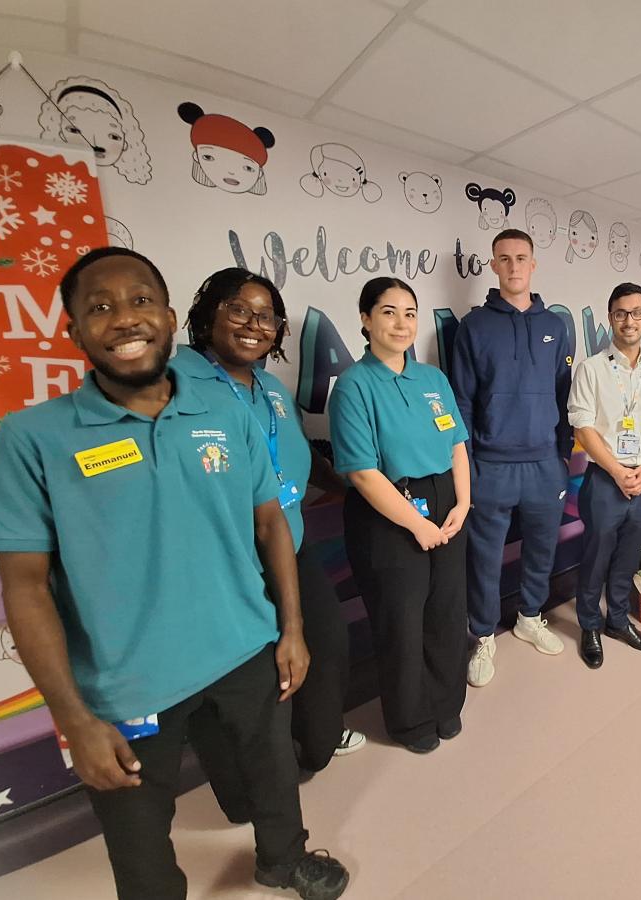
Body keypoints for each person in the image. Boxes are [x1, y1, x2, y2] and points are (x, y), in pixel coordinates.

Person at [0, 248, 348, 900]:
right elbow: (24, 585)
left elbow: (270, 521)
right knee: (138, 830)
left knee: (272, 772)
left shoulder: (225, 412)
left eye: (140, 300)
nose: (124, 318)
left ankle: (282, 859)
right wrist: (73, 717)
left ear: (169, 316)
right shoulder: (32, 437)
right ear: (72, 330)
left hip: (244, 646)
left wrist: (290, 630)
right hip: (127, 683)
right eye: (100, 307)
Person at [169, 268, 364, 825]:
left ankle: (314, 749)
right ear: (207, 314)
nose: (255, 325)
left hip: (290, 545)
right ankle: (244, 797)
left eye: (267, 316)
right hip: (221, 564)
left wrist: (351, 481)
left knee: (324, 648)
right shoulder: (174, 377)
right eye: (239, 310)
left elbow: (298, 456)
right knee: (236, 684)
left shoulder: (273, 389)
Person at [330, 277, 471, 752]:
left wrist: (463, 504)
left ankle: (446, 705)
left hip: (447, 505)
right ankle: (410, 721)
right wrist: (417, 524)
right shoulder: (353, 386)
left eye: (410, 313)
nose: (402, 323)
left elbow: (457, 445)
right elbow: (364, 473)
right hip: (389, 511)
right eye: (388, 312)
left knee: (447, 615)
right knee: (402, 623)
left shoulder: (433, 379)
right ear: (366, 320)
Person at [451, 228, 573, 687]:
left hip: (545, 463)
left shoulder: (555, 326)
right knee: (484, 557)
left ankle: (529, 616)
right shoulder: (474, 326)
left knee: (542, 548)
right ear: (494, 265)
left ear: (533, 264)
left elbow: (565, 398)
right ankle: (483, 634)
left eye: (522, 258)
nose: (514, 266)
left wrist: (562, 454)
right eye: (505, 259)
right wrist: (467, 462)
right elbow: (461, 400)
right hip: (491, 463)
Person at [568, 283, 641, 669]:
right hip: (604, 480)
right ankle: (590, 625)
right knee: (596, 555)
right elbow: (583, 427)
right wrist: (616, 470)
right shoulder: (591, 369)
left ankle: (617, 621)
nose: (629, 321)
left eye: (636, 313)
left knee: (629, 554)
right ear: (610, 318)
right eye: (620, 313)